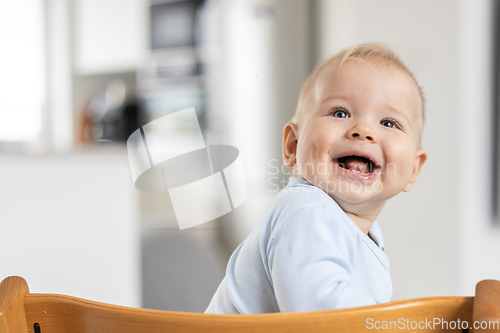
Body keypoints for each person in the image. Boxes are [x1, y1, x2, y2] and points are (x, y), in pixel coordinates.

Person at [204, 42, 427, 314]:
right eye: (340, 113)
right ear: (293, 146)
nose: (363, 130)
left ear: (413, 170)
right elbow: (319, 316)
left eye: (389, 123)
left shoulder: (358, 232)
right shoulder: (307, 210)